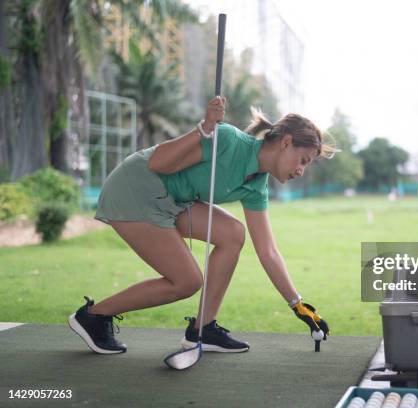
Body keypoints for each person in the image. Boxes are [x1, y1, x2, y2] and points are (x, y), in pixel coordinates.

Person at [68, 96, 334, 354]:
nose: (301, 171)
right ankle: (93, 316)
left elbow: (268, 252)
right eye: (303, 161)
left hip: (173, 200)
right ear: (286, 142)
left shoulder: (257, 187)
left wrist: (298, 305)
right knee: (187, 282)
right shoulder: (228, 140)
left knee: (233, 233)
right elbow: (158, 163)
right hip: (136, 189)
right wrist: (204, 129)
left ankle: (203, 328)